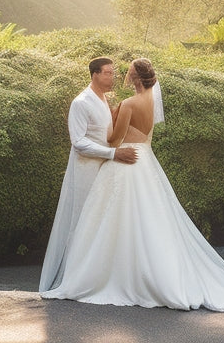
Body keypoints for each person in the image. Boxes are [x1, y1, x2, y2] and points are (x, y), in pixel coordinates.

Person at [40, 58, 224, 311]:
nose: (120, 76)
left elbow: (113, 138)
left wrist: (116, 118)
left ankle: (117, 274)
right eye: (111, 73)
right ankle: (149, 272)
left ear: (136, 78)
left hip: (125, 160)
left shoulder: (127, 103)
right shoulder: (148, 101)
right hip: (144, 160)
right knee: (148, 218)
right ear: (95, 74)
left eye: (126, 72)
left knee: (116, 219)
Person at [38, 57, 138, 294]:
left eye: (113, 73)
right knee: (82, 221)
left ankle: (95, 277)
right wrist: (113, 153)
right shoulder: (81, 102)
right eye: (108, 73)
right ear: (94, 74)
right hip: (85, 170)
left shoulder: (104, 99)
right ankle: (71, 279)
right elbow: (79, 142)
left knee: (100, 222)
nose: (112, 77)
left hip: (104, 169)